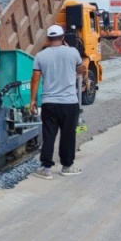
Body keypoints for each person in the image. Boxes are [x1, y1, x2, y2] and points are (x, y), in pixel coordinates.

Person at [29, 24, 88, 180]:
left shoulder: (40, 56)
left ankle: (46, 168)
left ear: (48, 39)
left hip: (49, 103)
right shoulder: (73, 52)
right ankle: (67, 166)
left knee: (49, 135)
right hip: (70, 102)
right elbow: (81, 69)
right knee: (68, 135)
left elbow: (35, 79)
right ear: (63, 38)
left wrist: (32, 100)